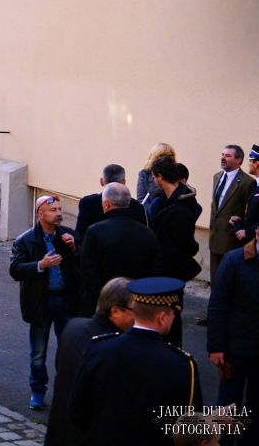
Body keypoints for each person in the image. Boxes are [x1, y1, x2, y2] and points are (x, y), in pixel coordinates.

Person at [69, 277, 203, 445]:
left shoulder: (98, 348)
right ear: (162, 317)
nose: (174, 318)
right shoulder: (182, 365)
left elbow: (77, 412)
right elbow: (188, 429)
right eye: (173, 313)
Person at [9, 195, 81, 411]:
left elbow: (83, 265)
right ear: (40, 214)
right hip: (41, 303)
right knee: (38, 353)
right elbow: (15, 270)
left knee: (68, 350)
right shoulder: (25, 240)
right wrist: (40, 264)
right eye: (53, 210)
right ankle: (38, 391)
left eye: (60, 209)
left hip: (66, 302)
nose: (59, 213)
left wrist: (75, 249)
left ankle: (65, 392)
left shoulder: (68, 236)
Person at [44, 277, 135, 446]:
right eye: (134, 310)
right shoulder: (113, 347)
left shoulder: (73, 326)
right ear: (115, 311)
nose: (137, 317)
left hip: (59, 430)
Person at [78, 183, 162, 316]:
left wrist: (100, 299)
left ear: (106, 204)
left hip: (102, 307)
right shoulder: (148, 234)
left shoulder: (94, 232)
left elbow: (88, 271)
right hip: (137, 306)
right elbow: (155, 272)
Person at [206, 234, 259, 446]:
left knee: (256, 407)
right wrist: (216, 347)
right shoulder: (234, 260)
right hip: (234, 351)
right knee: (228, 405)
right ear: (257, 233)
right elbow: (217, 305)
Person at [150, 156, 203, 347]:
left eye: (154, 177)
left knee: (171, 317)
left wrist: (192, 248)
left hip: (171, 271)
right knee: (161, 315)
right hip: (163, 268)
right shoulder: (166, 200)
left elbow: (186, 242)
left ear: (161, 177)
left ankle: (173, 355)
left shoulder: (179, 208)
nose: (153, 181)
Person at [209, 145, 255, 286]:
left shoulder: (247, 182)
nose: (223, 158)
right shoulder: (217, 177)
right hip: (214, 236)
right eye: (222, 154)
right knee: (215, 279)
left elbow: (250, 211)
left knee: (228, 281)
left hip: (232, 240)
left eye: (228, 156)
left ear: (238, 160)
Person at [75, 163, 147, 239]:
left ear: (101, 181)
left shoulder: (87, 203)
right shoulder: (137, 207)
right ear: (123, 182)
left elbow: (80, 235)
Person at [230, 145, 259, 245]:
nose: (248, 164)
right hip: (250, 243)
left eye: (250, 161)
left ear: (257, 163)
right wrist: (240, 221)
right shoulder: (255, 184)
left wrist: (247, 232)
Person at [138, 142, 177, 210]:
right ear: (154, 157)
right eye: (162, 155)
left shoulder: (177, 173)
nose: (166, 158)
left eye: (170, 156)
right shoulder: (144, 174)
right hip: (150, 215)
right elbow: (141, 199)